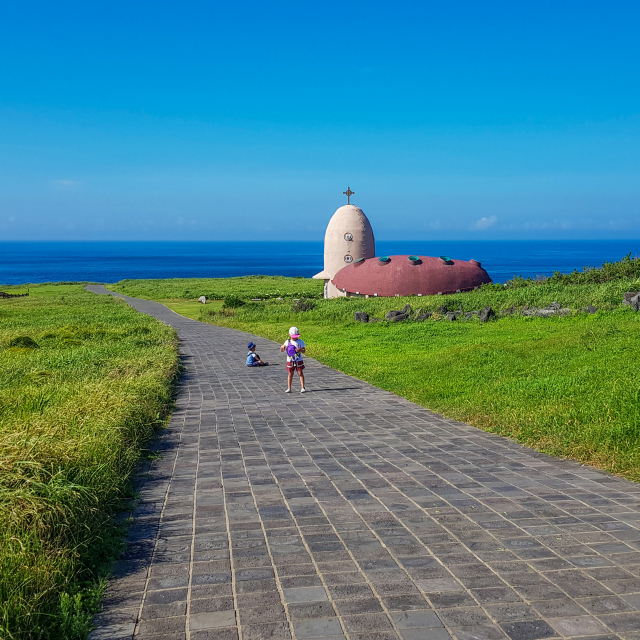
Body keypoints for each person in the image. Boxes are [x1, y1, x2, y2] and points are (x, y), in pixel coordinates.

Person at [281, 326, 306, 393]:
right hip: (290, 360)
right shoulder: (287, 341)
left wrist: (300, 350)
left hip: (298, 359)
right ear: (289, 335)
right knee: (290, 374)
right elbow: (282, 349)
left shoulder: (300, 342)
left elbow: (304, 350)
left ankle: (302, 387)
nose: (295, 338)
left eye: (296, 336)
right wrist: (282, 347)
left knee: (300, 373)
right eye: (293, 336)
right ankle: (289, 388)